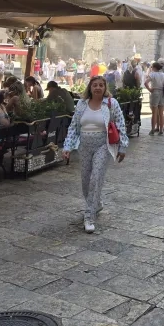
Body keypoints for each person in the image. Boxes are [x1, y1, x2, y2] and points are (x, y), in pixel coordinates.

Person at [62, 76, 128, 233]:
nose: (98, 88)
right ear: (90, 88)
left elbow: (121, 124)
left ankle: (89, 216)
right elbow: (73, 127)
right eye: (95, 85)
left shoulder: (111, 104)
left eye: (101, 85)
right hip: (84, 146)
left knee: (95, 178)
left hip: (102, 145)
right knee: (85, 181)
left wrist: (123, 146)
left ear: (105, 88)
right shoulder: (82, 104)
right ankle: (96, 204)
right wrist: (68, 147)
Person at [145, 61, 164, 135]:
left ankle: (153, 129)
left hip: (155, 92)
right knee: (161, 113)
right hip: (162, 93)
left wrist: (149, 89)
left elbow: (145, 83)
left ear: (154, 67)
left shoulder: (152, 74)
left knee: (154, 113)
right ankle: (161, 130)